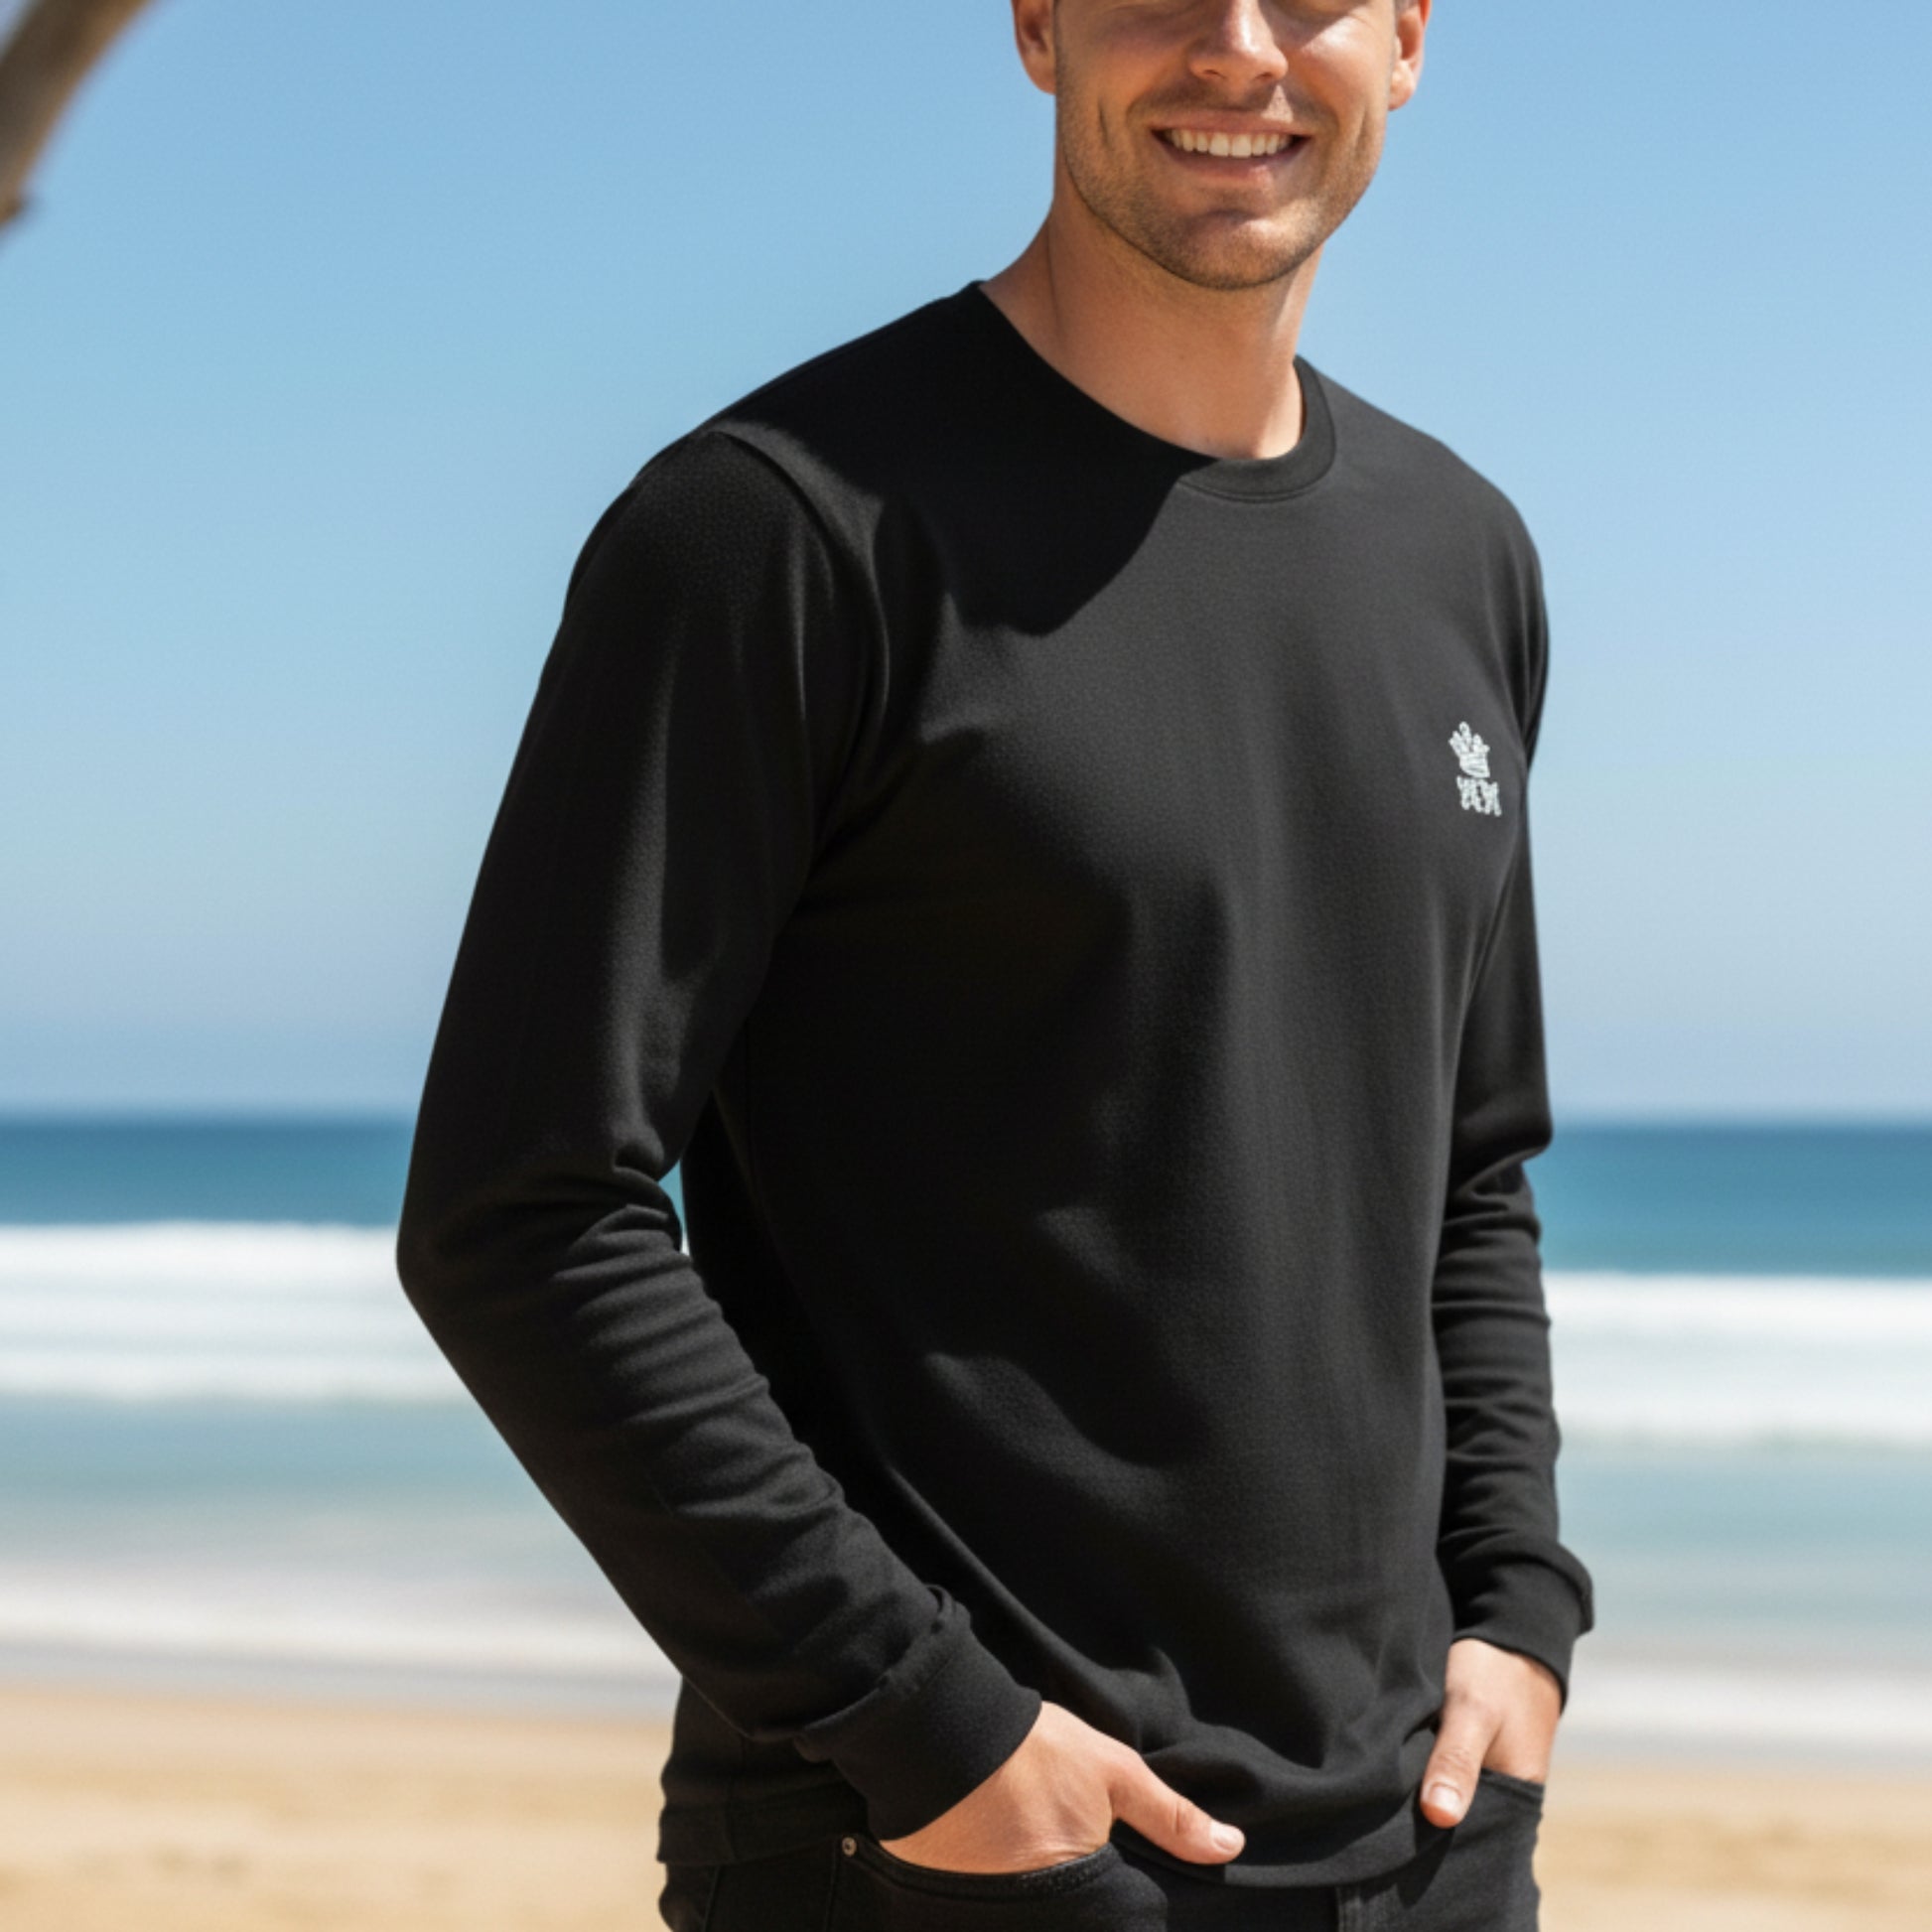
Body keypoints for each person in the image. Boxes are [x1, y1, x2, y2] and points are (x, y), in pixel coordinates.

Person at [395, 0, 1595, 1924]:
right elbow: (521, 1212)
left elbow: (1464, 1164)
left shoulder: (1463, 562)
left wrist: (1518, 1610)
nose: (1234, 49)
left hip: (1425, 1857)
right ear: (1035, 23)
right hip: (950, 1856)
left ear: (1409, 36)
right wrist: (919, 1713)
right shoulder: (773, 535)